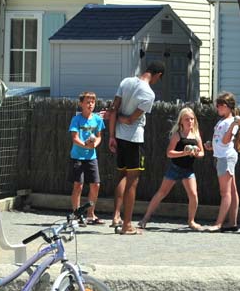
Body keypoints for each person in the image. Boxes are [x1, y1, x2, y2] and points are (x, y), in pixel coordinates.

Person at [107, 60, 165, 235]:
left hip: (118, 136)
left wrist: (111, 135)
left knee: (121, 175)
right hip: (133, 138)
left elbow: (113, 109)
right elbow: (131, 119)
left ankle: (116, 217)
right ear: (158, 75)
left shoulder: (126, 81)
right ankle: (127, 225)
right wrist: (121, 119)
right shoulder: (149, 93)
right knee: (133, 180)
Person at [137, 107, 205, 231]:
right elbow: (169, 153)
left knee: (193, 194)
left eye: (192, 119)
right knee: (161, 193)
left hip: (188, 170)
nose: (190, 121)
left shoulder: (196, 135)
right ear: (181, 122)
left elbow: (202, 153)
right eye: (187, 119)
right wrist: (183, 153)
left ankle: (191, 221)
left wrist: (196, 153)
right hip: (175, 168)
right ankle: (145, 219)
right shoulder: (177, 135)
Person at [204, 92, 240, 233]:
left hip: (225, 158)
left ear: (228, 107)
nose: (218, 107)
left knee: (225, 192)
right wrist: (211, 145)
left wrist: (234, 123)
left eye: (221, 105)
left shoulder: (232, 122)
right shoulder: (222, 121)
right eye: (217, 105)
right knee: (232, 191)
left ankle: (219, 223)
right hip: (223, 157)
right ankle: (232, 223)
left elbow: (226, 140)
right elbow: (221, 141)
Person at [67, 91, 105, 226]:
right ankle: (76, 215)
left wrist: (94, 144)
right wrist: (85, 145)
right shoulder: (76, 120)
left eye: (92, 102)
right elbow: (74, 137)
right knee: (78, 185)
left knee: (96, 185)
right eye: (87, 102)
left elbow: (99, 136)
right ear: (81, 104)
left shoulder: (97, 120)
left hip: (91, 157)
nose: (90, 104)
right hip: (77, 156)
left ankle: (90, 214)